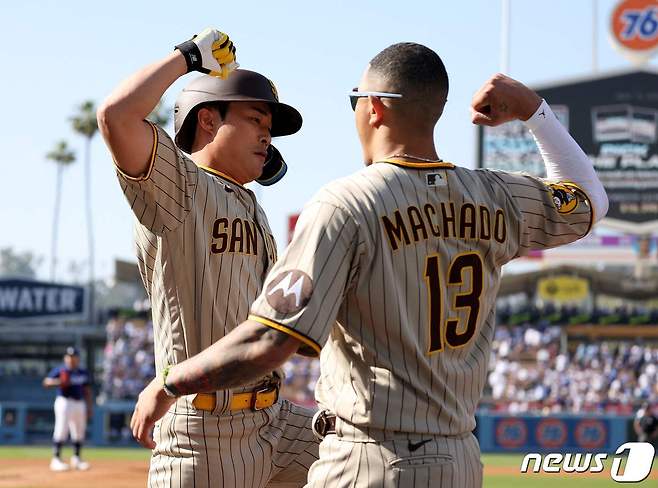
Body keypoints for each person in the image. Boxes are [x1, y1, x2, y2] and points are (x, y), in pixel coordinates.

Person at [131, 42, 608, 487]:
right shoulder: (495, 196)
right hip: (459, 458)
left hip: (370, 458)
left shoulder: (347, 203)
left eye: (355, 100)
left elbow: (273, 339)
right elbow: (591, 199)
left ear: (374, 107)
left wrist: (171, 381)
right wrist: (533, 111)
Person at [97, 27, 318, 488]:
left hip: (276, 422)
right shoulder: (180, 185)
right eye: (256, 120)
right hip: (206, 433)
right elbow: (117, 117)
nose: (266, 134)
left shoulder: (252, 205)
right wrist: (188, 56)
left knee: (376, 457)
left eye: (269, 129)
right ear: (208, 121)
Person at [43, 347, 92, 471]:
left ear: (78, 358)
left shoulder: (82, 372)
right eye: (69, 356)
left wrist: (89, 406)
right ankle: (56, 459)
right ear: (65, 358)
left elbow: (87, 390)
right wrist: (59, 382)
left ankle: (76, 459)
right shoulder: (61, 370)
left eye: (74, 356)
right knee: (61, 429)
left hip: (79, 402)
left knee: (79, 431)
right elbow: (46, 382)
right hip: (64, 402)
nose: (71, 359)